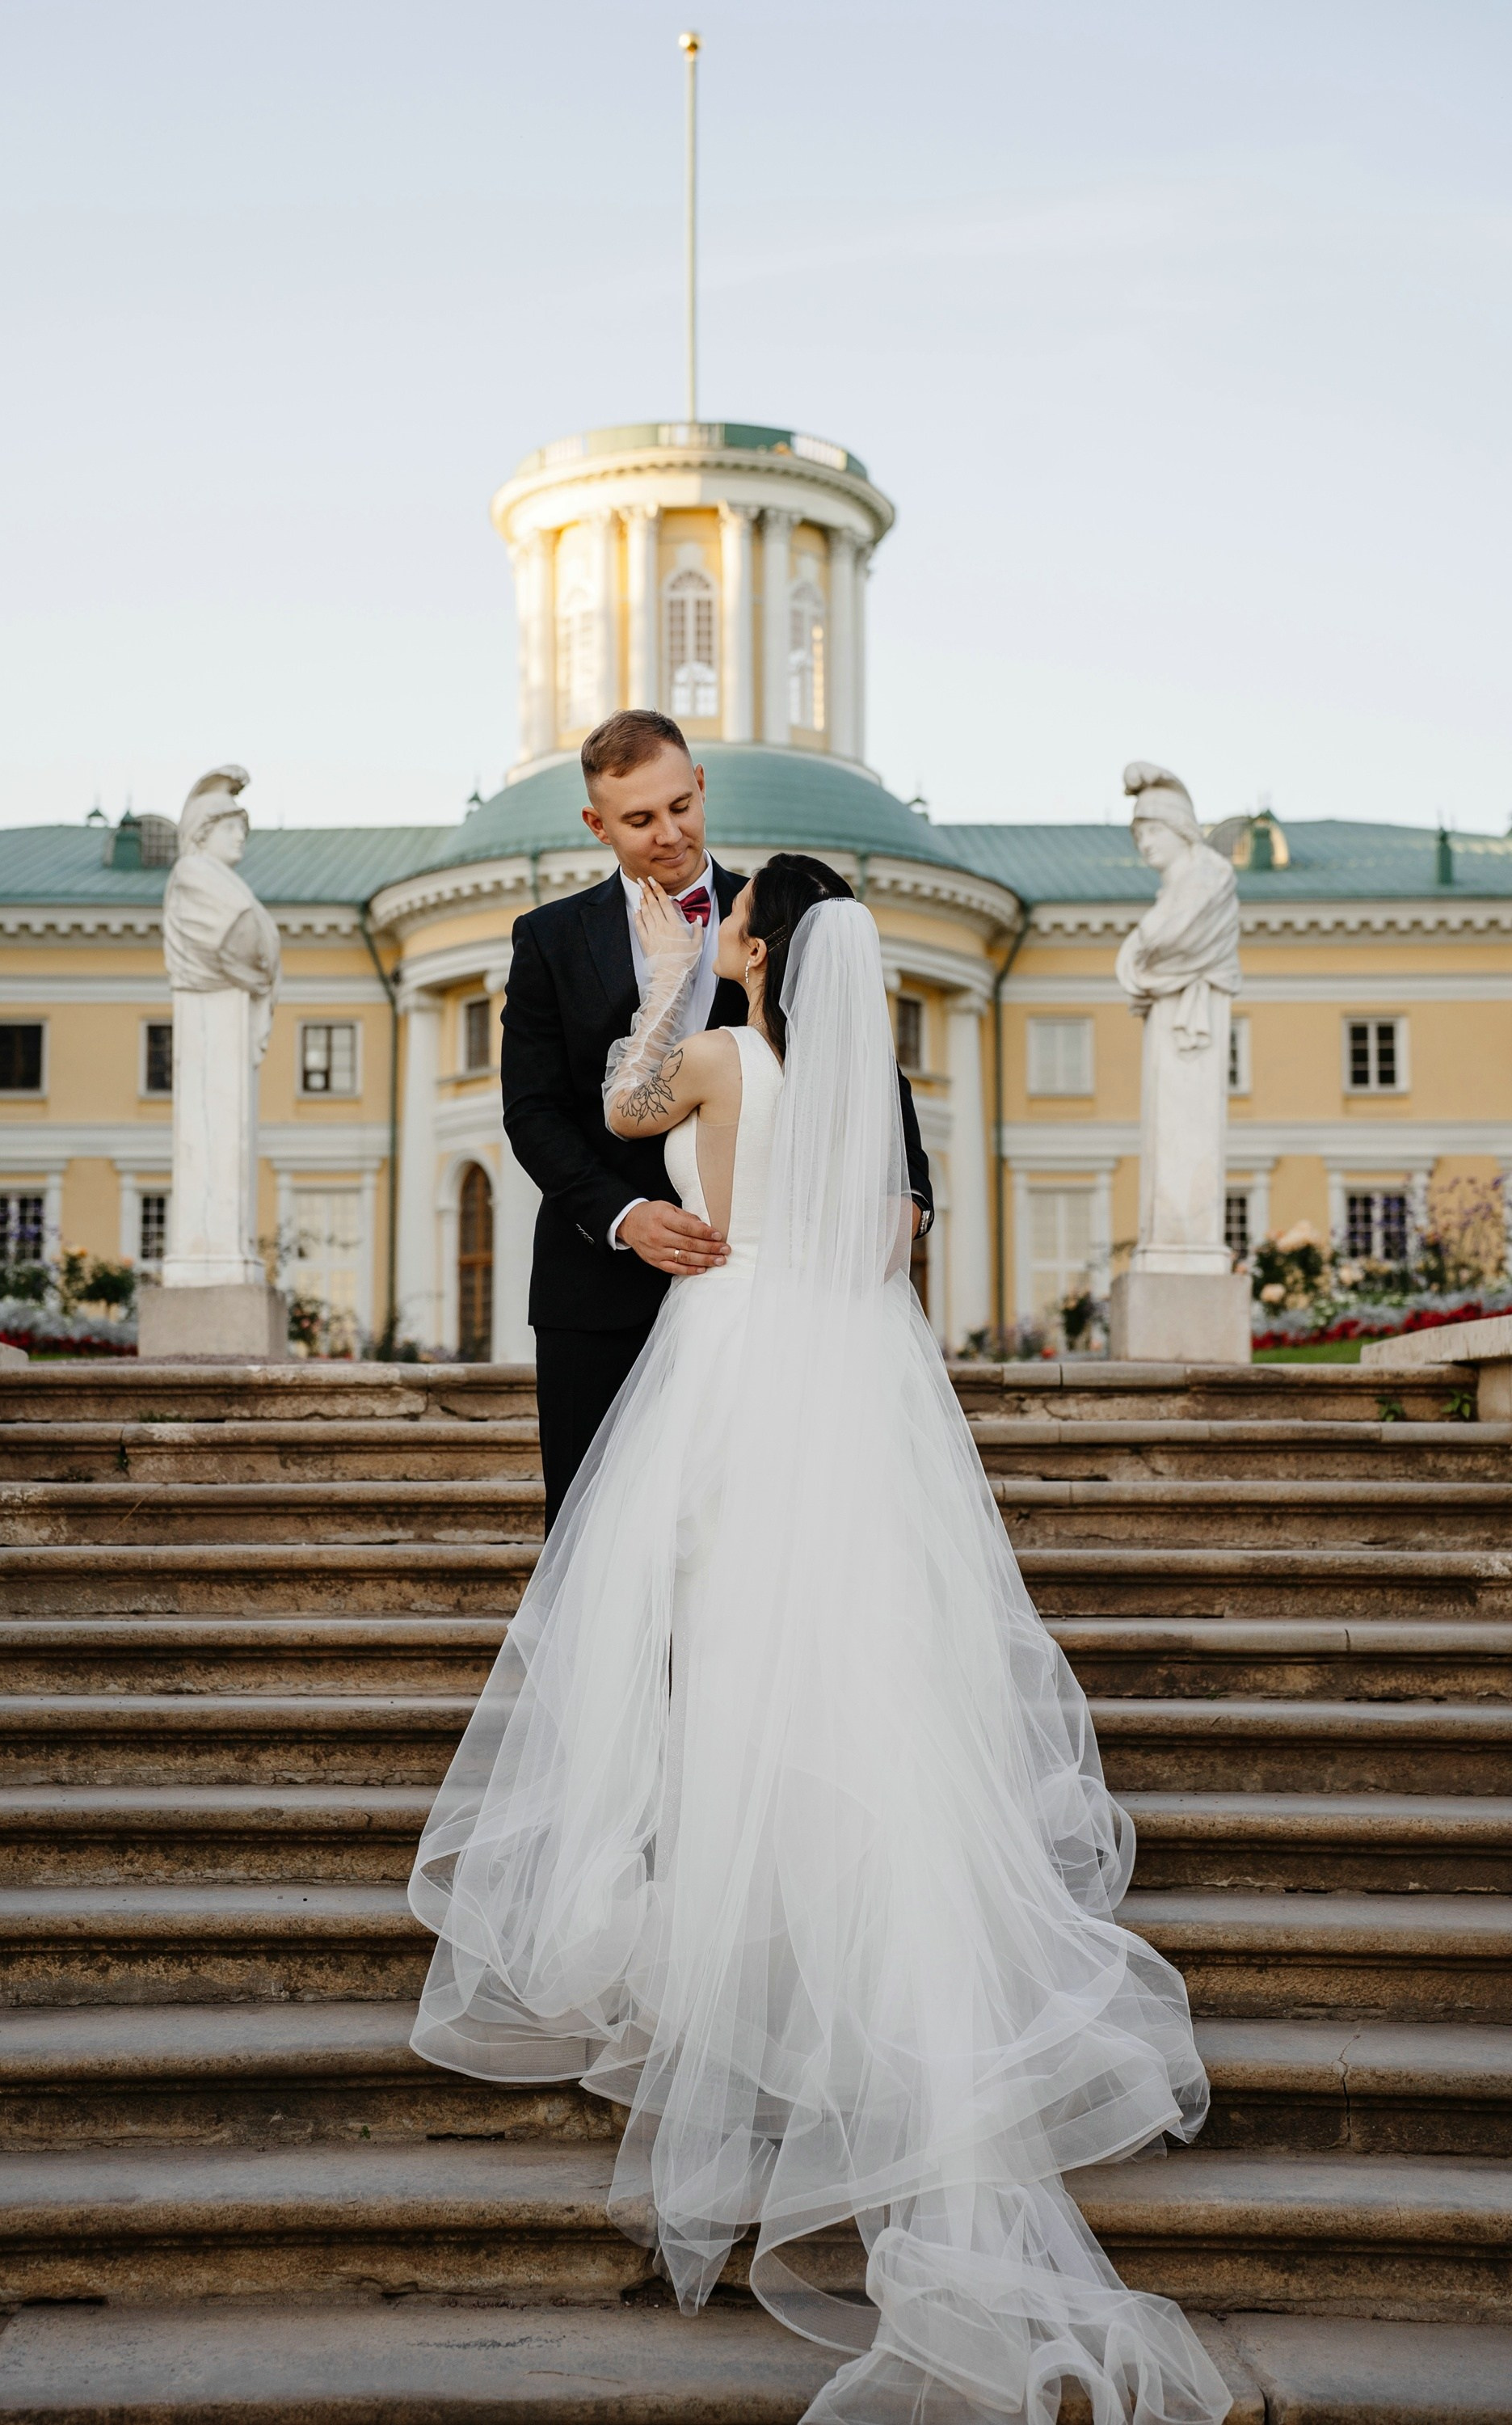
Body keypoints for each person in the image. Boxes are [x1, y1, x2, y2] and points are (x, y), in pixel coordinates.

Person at [410, 857, 1230, 2425]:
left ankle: (744, 1975)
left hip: (726, 1362)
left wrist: (676, 968)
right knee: (851, 1664)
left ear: (763, 945)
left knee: (721, 1656)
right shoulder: (856, 1104)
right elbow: (874, 1225)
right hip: (838, 1372)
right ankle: (852, 1966)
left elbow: (618, 1104)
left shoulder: (716, 1052)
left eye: (741, 928)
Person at [499, 707, 933, 1526]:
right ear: (596, 824)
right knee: (599, 1547)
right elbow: (532, 1110)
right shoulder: (549, 938)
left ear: (700, 786)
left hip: (766, 1296)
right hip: (597, 1291)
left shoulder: (775, 913)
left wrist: (907, 1197)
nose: (668, 833)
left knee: (761, 1534)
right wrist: (623, 1216)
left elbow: (871, 1070)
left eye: (679, 806)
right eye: (638, 820)